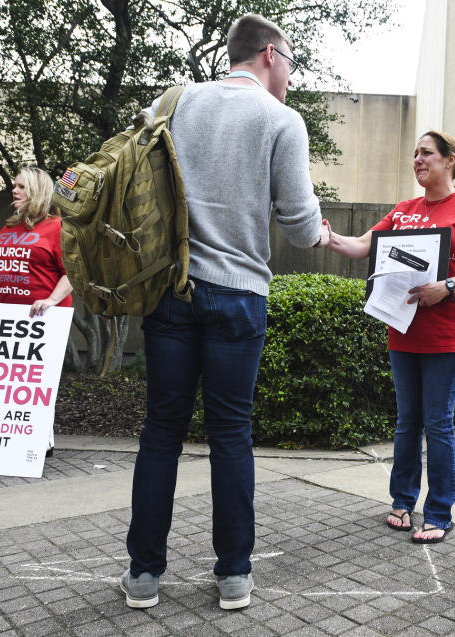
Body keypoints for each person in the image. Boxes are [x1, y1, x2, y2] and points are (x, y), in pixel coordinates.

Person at [120, 14, 328, 611]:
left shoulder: (173, 101)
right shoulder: (281, 119)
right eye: (290, 62)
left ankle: (143, 576)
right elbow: (301, 223)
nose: (290, 74)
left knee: (161, 431)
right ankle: (233, 575)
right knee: (230, 433)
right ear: (269, 55)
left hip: (170, 289)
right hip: (238, 295)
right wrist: (326, 234)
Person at [324, 130, 455, 545]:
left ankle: (439, 512)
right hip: (403, 329)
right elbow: (361, 246)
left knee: (437, 422)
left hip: (450, 334)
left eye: (427, 153)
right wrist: (328, 237)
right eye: (415, 154)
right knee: (407, 421)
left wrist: (449, 286)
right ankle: (402, 500)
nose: (418, 160)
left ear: (450, 160)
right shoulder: (404, 210)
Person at [0, 166, 73, 457]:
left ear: (38, 191)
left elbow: (73, 274)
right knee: (11, 381)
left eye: (21, 186)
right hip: (5, 316)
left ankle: (41, 440)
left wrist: (52, 301)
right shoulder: (8, 227)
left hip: (41, 318)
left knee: (38, 381)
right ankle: (16, 439)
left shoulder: (57, 227)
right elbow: (15, 263)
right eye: (14, 186)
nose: (13, 191)